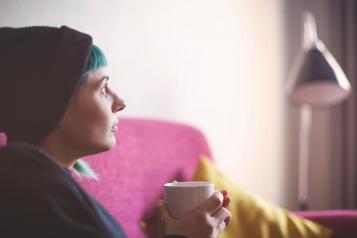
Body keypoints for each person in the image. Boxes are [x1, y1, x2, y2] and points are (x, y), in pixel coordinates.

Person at [0, 25, 231, 238]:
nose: (120, 102)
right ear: (53, 103)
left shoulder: (43, 183)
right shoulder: (31, 194)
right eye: (103, 88)